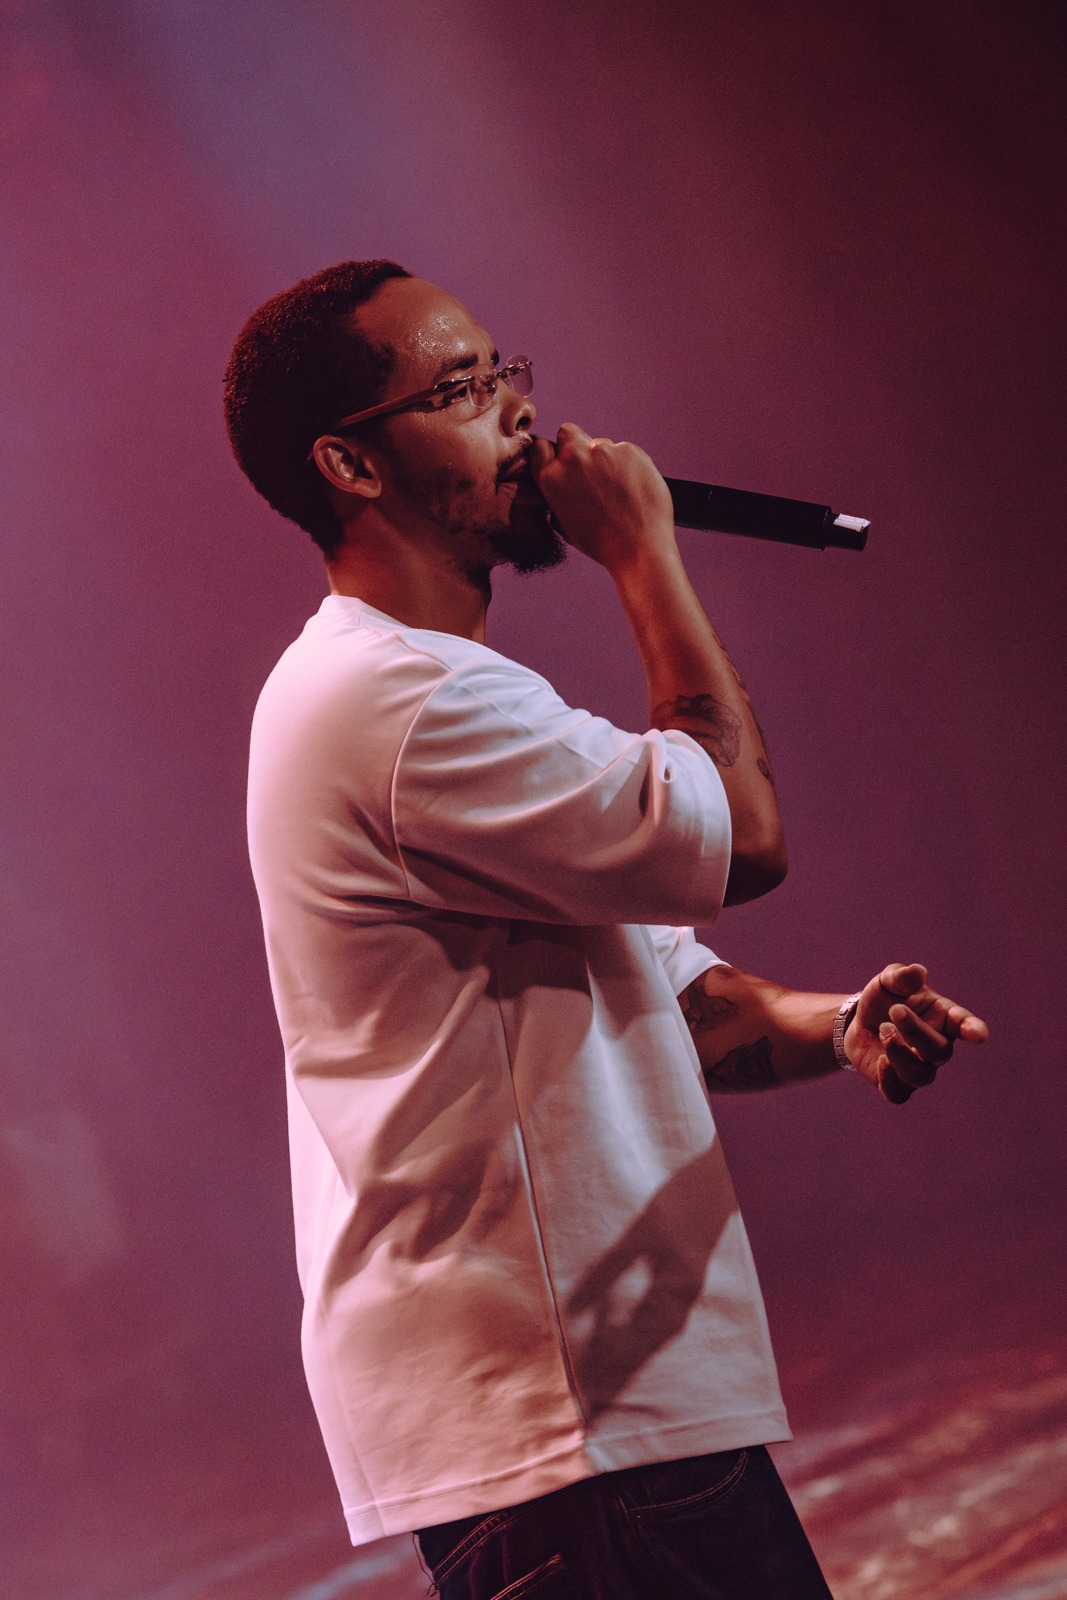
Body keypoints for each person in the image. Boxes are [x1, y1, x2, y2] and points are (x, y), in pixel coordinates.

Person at [225, 259, 987, 1600]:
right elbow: (744, 835)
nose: (519, 411)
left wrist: (839, 1028)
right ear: (349, 462)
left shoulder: (443, 694)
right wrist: (642, 552)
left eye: (503, 370)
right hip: (568, 1421)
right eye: (460, 388)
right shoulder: (398, 704)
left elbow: (679, 995)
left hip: (600, 1418)